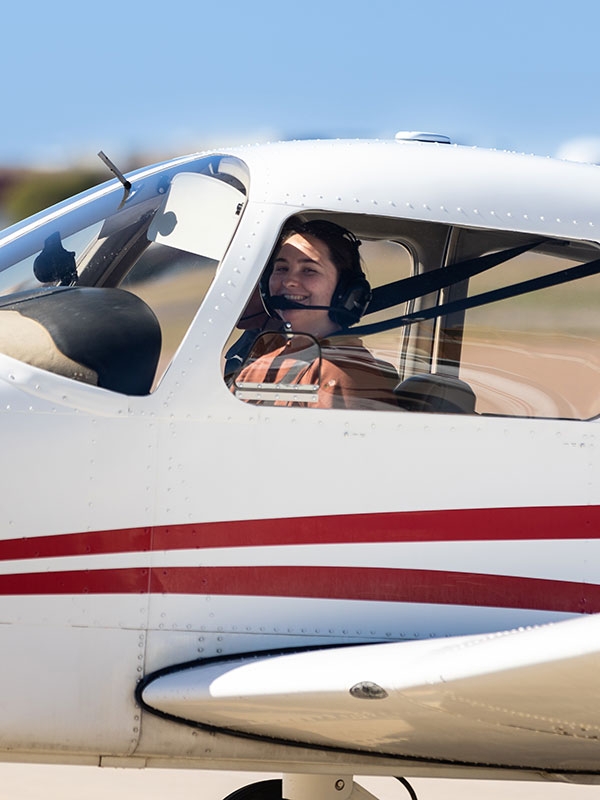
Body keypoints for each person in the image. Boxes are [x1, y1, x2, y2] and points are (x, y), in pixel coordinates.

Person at [231, 219, 399, 410]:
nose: (289, 281)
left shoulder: (344, 375)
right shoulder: (258, 369)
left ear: (345, 291)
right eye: (282, 269)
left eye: (309, 270)